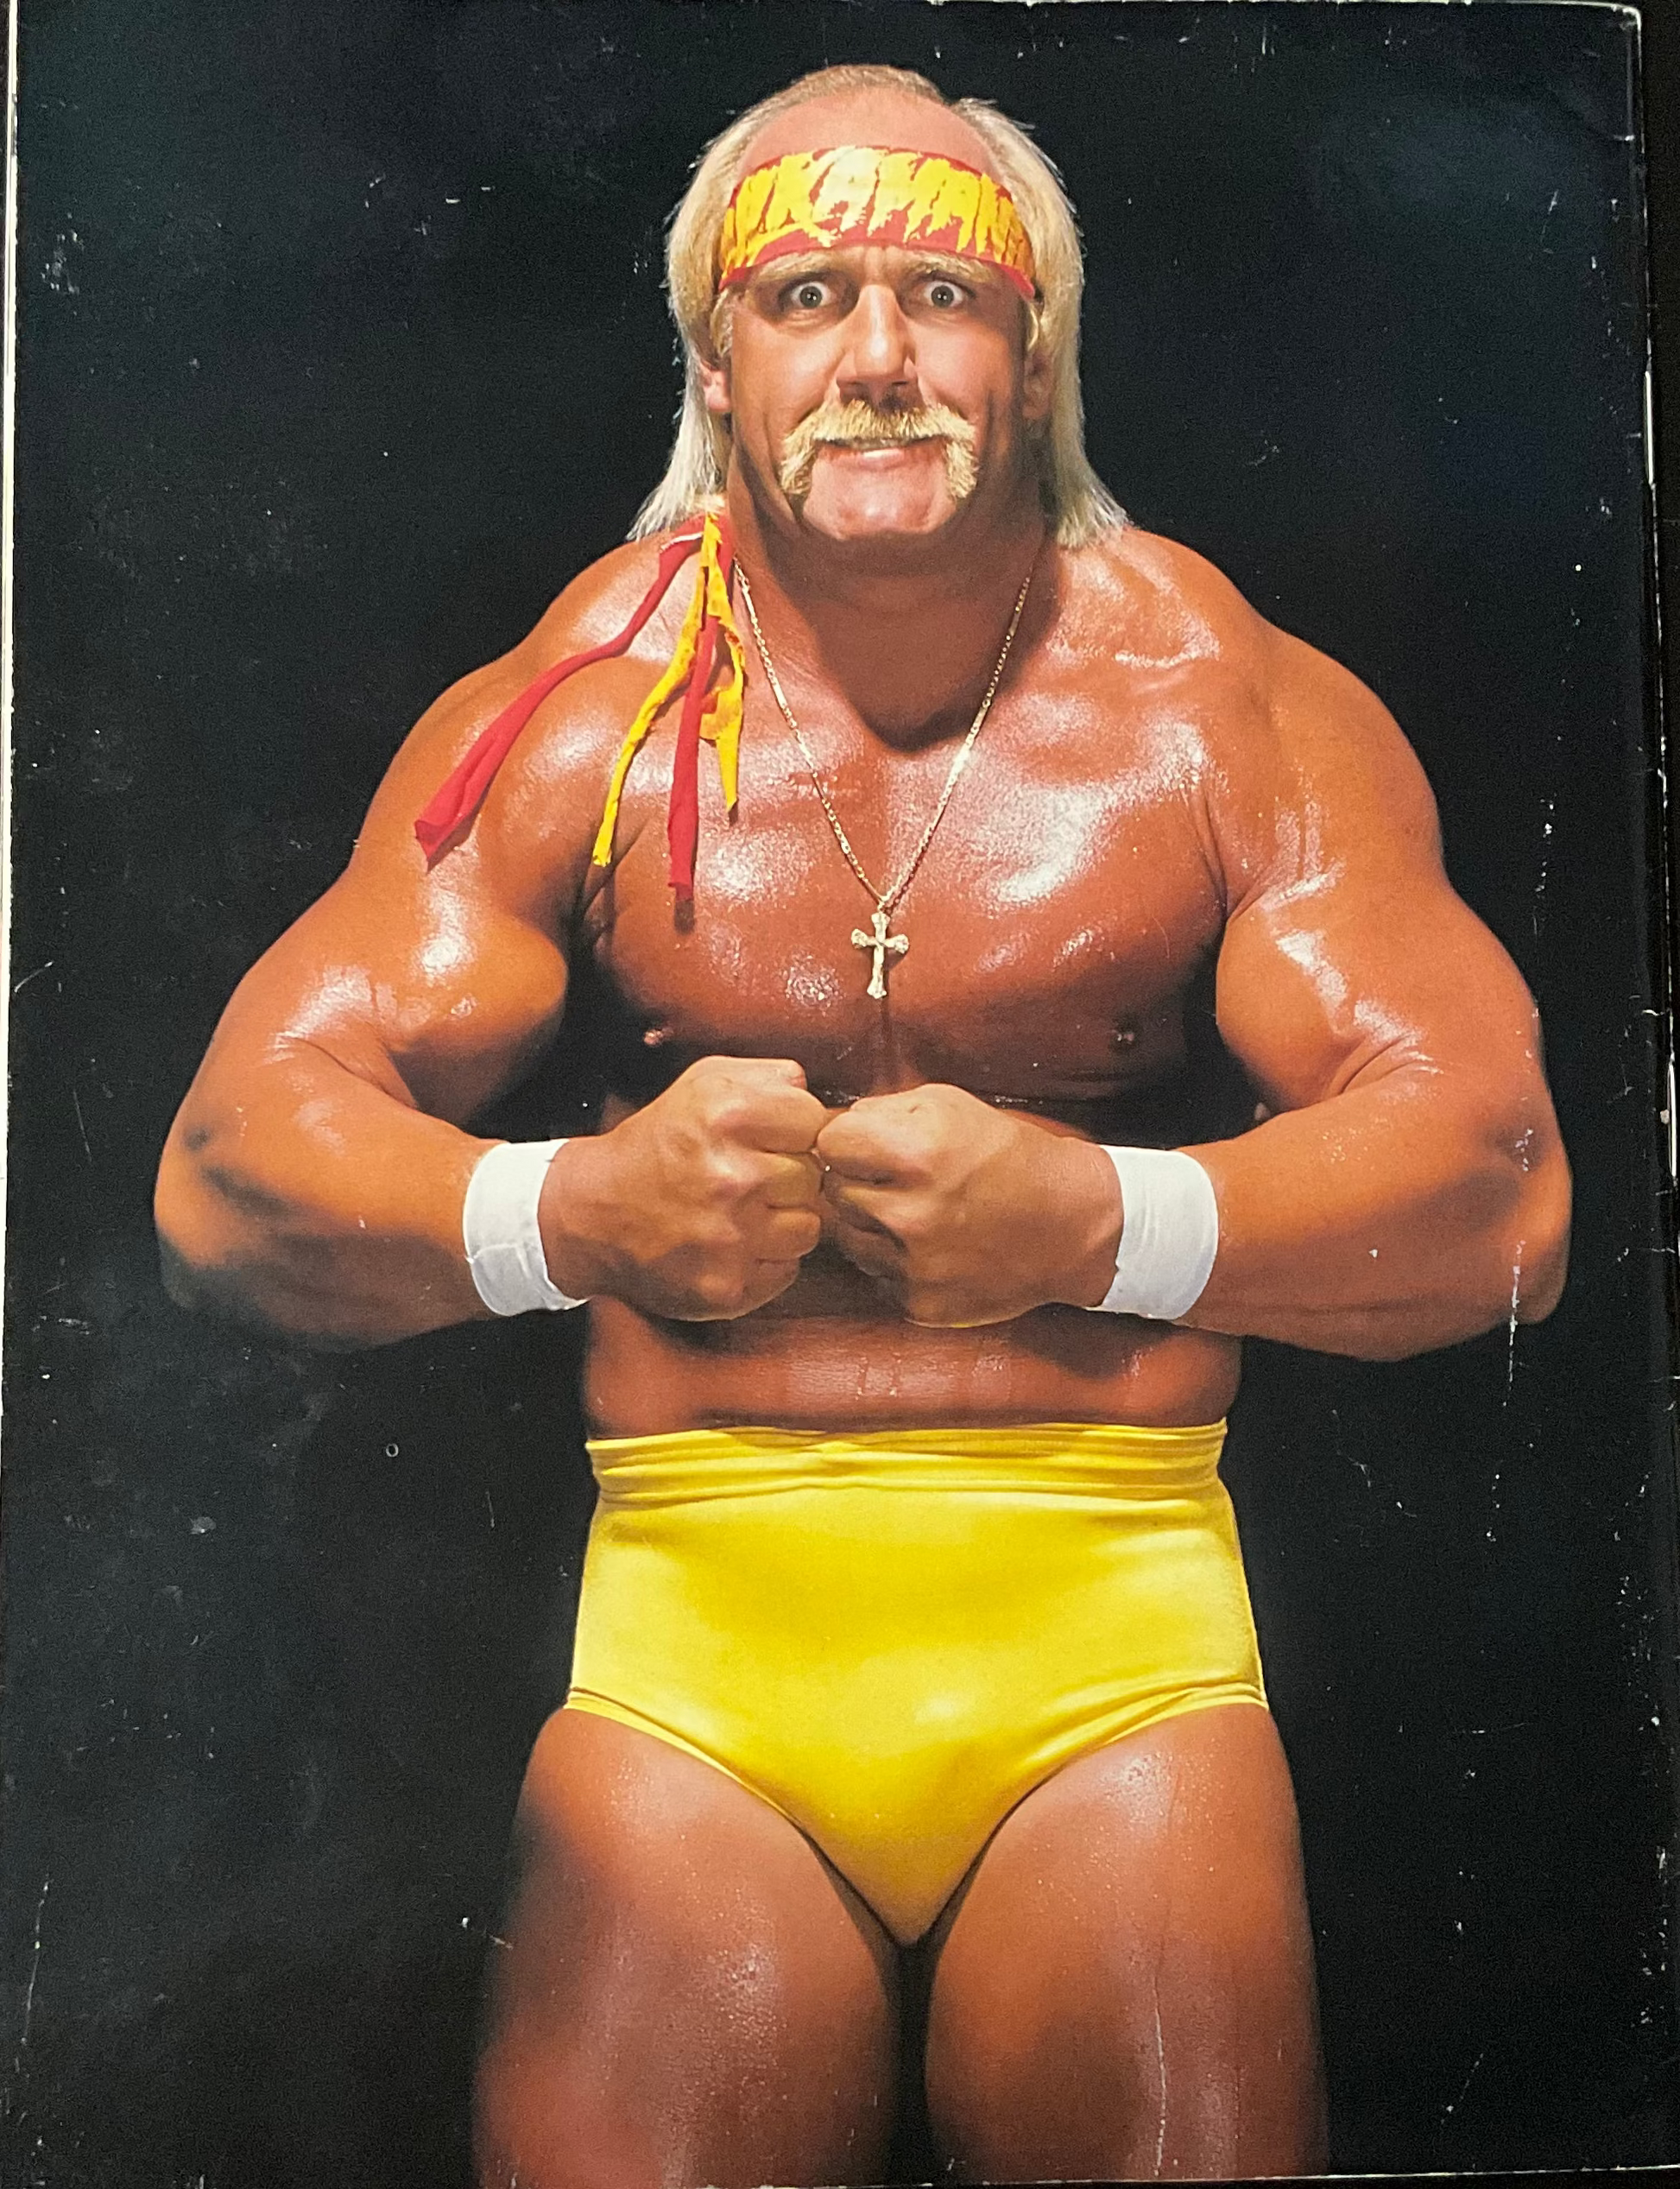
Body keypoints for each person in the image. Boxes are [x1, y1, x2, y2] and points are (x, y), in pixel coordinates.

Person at [154, 60, 1570, 2189]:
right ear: (714, 363)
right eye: (806, 294)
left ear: (1037, 355)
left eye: (944, 294)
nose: (880, 355)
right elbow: (225, 1178)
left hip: (1114, 1646)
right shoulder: (583, 714)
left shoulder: (1216, 703)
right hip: (696, 1653)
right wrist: (571, 1211)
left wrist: (1108, 1220)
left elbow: (1502, 1188)